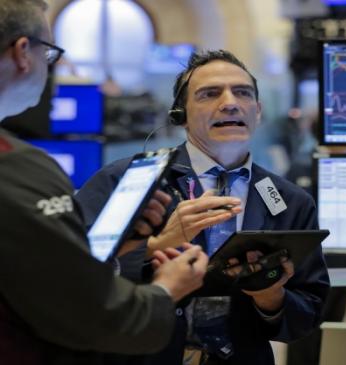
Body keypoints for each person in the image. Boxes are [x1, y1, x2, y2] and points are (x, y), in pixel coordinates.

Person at [75, 50, 330, 364]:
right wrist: (153, 248)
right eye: (210, 94)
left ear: (258, 111)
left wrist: (271, 296)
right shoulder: (125, 182)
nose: (230, 102)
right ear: (180, 115)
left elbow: (307, 315)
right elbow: (70, 278)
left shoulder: (289, 200)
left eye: (243, 93)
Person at [0, 0, 209, 363]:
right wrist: (166, 288)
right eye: (48, 53)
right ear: (22, 52)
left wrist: (111, 253)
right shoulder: (18, 169)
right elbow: (93, 316)